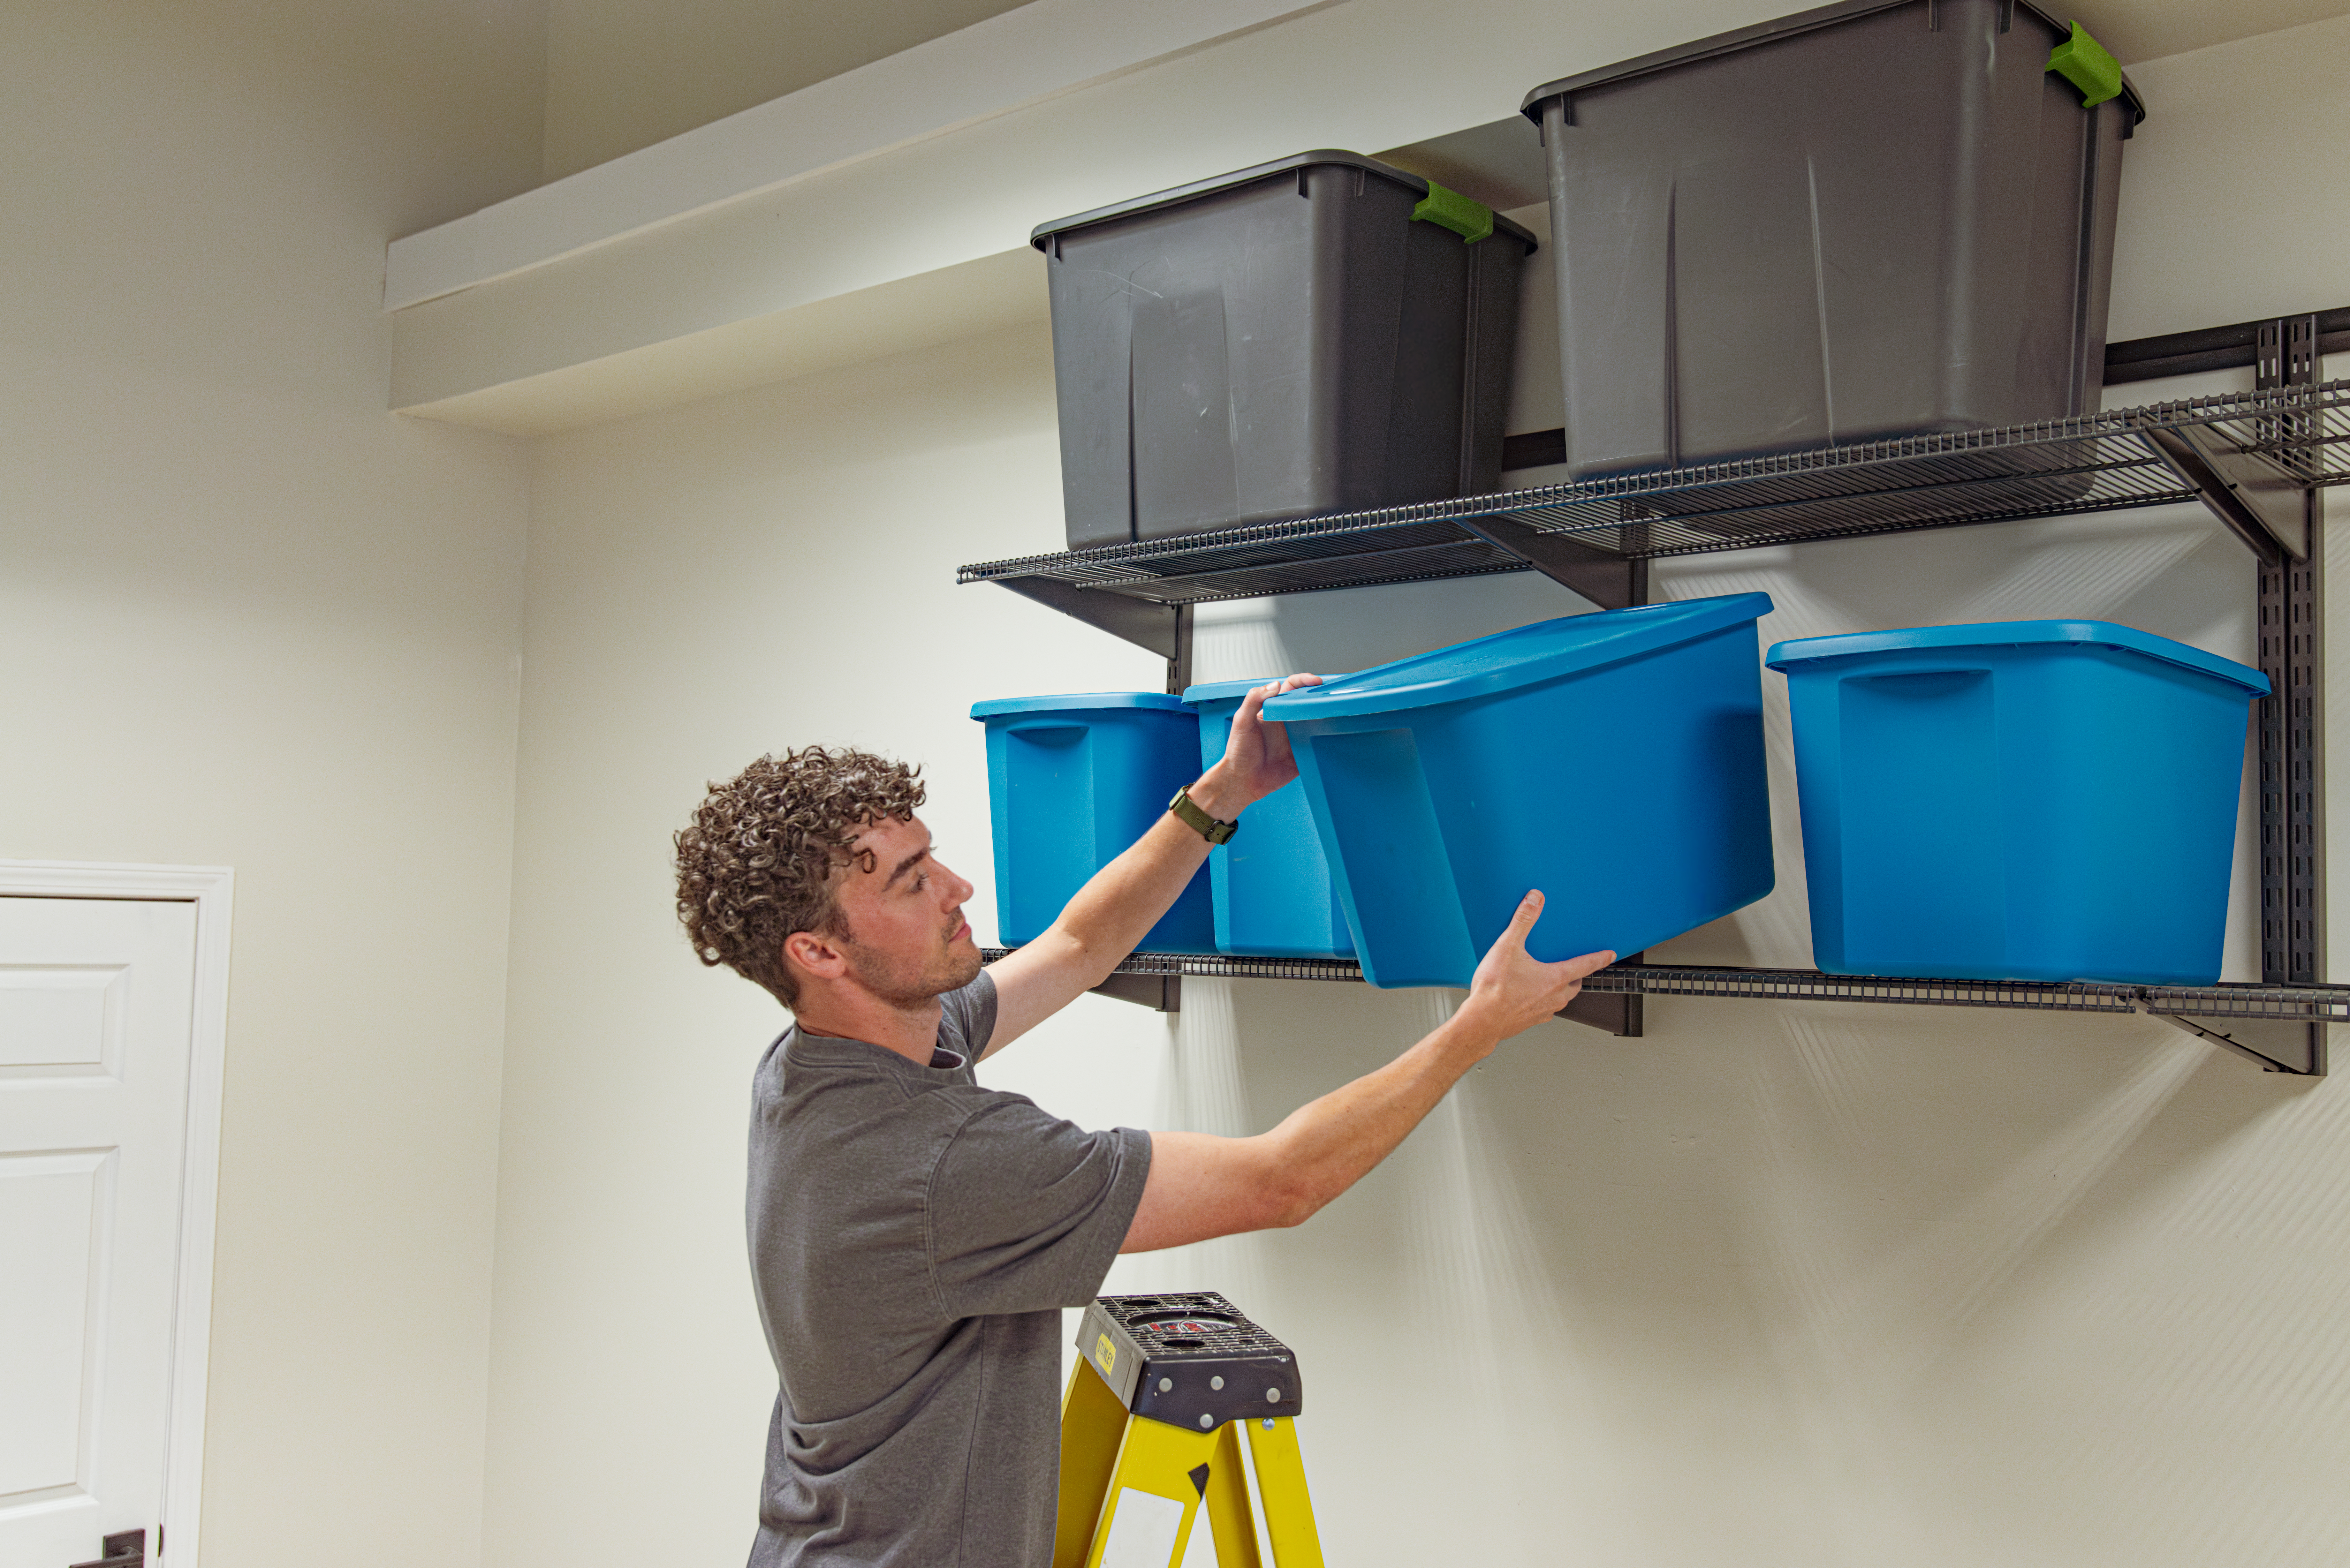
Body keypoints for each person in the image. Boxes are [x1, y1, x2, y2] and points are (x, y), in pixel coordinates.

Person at [673, 675, 1614, 1568]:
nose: (958, 887)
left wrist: (1225, 790)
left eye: (933, 855)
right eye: (912, 883)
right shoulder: (940, 1165)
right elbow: (1281, 1182)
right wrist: (1478, 1025)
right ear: (818, 950)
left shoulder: (823, 1066)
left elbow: (1078, 947)